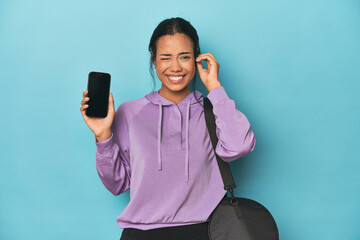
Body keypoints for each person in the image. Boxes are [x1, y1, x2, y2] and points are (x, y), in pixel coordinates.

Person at [80, 17, 256, 240]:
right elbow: (117, 184)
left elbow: (239, 147)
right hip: (141, 234)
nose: (175, 67)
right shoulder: (130, 113)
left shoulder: (214, 110)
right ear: (154, 60)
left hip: (206, 231)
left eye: (184, 57)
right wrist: (103, 135)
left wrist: (215, 87)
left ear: (196, 59)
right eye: (165, 58)